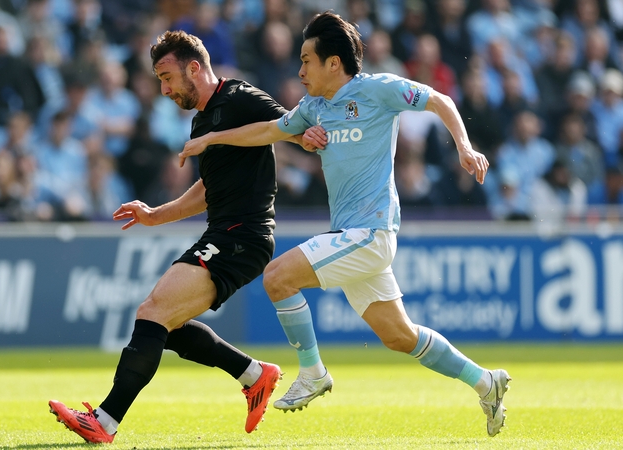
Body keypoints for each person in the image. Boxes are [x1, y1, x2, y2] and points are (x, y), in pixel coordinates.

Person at [180, 11, 510, 437]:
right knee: (399, 336)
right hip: (352, 236)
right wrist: (211, 138)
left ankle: (313, 372)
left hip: (371, 232)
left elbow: (440, 100)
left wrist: (464, 147)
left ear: (333, 63)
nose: (300, 71)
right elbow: (265, 131)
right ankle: (485, 382)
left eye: (306, 61)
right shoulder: (314, 108)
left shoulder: (378, 89)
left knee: (277, 277)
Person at [47, 30, 314, 443]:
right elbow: (208, 189)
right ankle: (253, 374)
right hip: (225, 232)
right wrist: (156, 215)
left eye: (167, 77)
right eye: (159, 80)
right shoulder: (202, 119)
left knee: (153, 311)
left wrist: (309, 136)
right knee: (164, 326)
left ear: (194, 68)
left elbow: (293, 127)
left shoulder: (240, 97)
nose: (164, 89)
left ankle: (104, 421)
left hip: (244, 235)